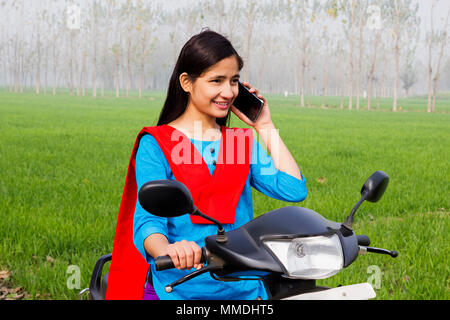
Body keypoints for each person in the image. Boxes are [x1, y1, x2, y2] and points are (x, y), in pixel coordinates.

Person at [105, 30, 307, 300]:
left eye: (234, 81)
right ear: (187, 83)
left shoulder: (241, 143)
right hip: (179, 288)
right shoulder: (156, 143)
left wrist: (264, 126)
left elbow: (293, 189)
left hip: (243, 288)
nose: (228, 92)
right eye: (217, 81)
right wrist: (168, 250)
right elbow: (148, 222)